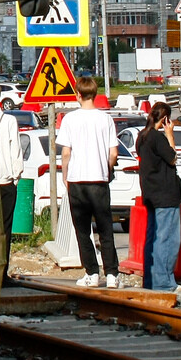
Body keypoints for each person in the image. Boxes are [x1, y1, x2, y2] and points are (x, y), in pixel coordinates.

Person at [56, 75, 120, 288]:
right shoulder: (106, 119)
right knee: (105, 227)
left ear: (78, 94)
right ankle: (112, 275)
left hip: (77, 181)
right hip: (99, 180)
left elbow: (66, 153)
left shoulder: (69, 120)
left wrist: (65, 176)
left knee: (83, 229)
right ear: (95, 93)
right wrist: (106, 168)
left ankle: (92, 273)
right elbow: (113, 153)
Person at [136, 101, 181, 292]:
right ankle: (164, 281)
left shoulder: (142, 137)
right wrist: (170, 135)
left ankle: (151, 279)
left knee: (153, 237)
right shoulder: (157, 138)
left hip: (150, 193)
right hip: (166, 194)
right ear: (165, 119)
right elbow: (172, 158)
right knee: (168, 238)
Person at [0, 93, 22, 279]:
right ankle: (2, 273)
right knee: (5, 229)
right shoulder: (9, 120)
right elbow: (15, 150)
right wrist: (16, 176)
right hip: (6, 182)